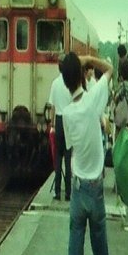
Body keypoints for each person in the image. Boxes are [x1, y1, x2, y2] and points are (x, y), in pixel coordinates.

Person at [56, 52, 115, 255]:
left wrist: (79, 70)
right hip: (98, 195)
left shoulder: (67, 114)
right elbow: (112, 69)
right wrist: (90, 59)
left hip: (78, 195)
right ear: (81, 75)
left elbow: (69, 149)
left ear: (65, 84)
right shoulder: (95, 101)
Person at [47, 62, 73, 201]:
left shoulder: (55, 83)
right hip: (68, 122)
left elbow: (52, 106)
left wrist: (52, 124)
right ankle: (68, 193)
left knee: (58, 158)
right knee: (68, 160)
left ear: (58, 67)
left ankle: (57, 192)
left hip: (58, 120)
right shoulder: (70, 83)